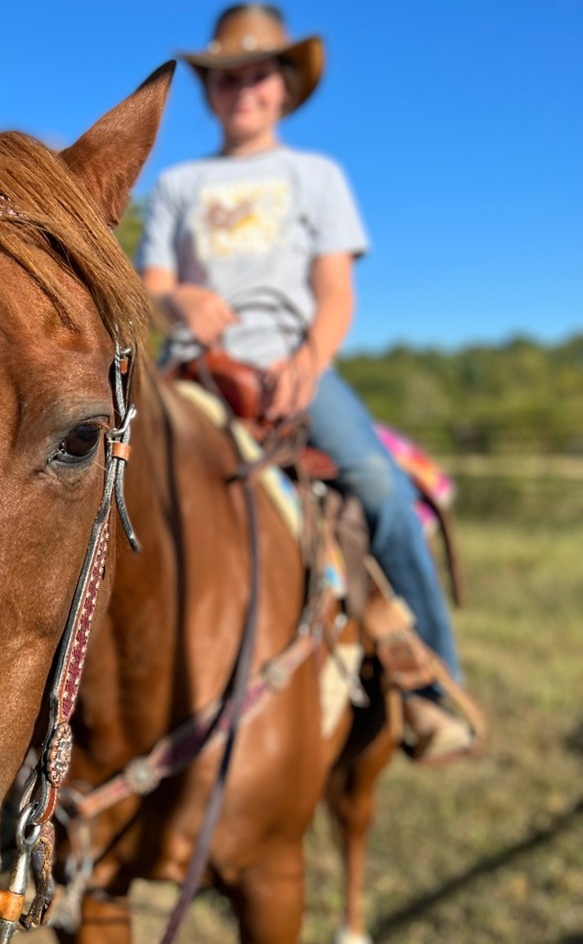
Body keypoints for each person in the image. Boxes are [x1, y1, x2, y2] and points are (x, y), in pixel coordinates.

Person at [136, 3, 474, 762]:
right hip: (190, 367)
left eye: (257, 75)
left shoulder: (314, 177)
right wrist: (178, 298)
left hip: (290, 363)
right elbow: (152, 280)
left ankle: (428, 684)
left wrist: (306, 362)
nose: (242, 89)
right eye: (226, 77)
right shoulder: (179, 183)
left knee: (380, 487)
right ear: (209, 90)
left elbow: (336, 293)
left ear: (284, 86)